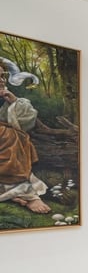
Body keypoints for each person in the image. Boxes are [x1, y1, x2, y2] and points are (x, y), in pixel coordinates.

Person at [0, 58, 50, 213]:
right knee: (9, 136)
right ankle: (25, 195)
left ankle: (17, 193)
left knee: (15, 136)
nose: (1, 80)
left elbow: (27, 121)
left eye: (2, 76)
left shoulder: (5, 95)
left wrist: (13, 102)